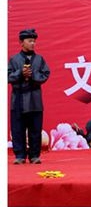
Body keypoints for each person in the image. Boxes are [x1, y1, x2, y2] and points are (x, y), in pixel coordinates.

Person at [8, 28, 50, 164]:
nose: (33, 43)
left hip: (34, 100)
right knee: (18, 129)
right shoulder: (14, 60)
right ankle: (20, 155)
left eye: (34, 41)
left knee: (35, 129)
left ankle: (34, 155)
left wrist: (32, 75)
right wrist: (20, 73)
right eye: (30, 41)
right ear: (22, 43)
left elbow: (45, 74)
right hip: (18, 99)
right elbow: (7, 76)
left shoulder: (39, 59)